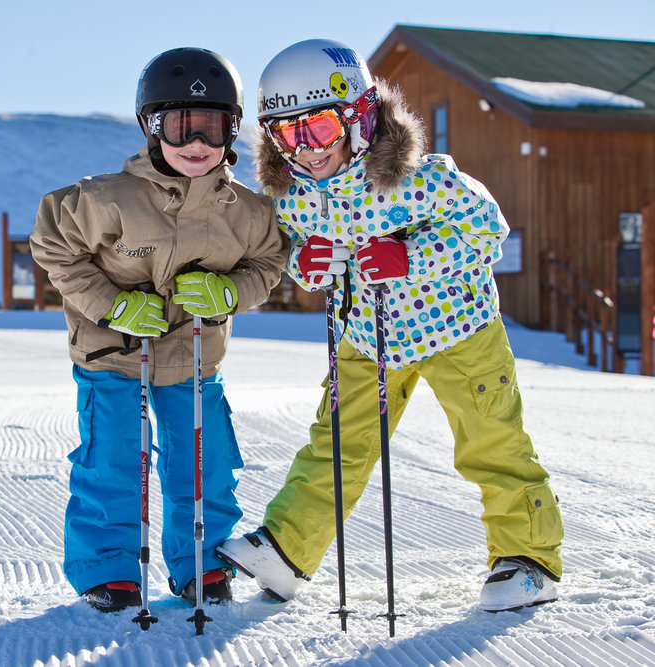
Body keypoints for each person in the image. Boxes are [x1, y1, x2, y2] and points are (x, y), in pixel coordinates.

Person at [216, 39, 564, 613]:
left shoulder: (421, 179)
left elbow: (487, 229)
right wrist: (307, 265)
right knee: (337, 443)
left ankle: (529, 560)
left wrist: (410, 256)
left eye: (319, 129)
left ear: (359, 117)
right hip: (365, 336)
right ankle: (286, 549)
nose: (305, 150)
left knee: (491, 443)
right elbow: (295, 252)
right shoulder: (294, 198)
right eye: (287, 135)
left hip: (458, 330)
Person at [31, 47, 285, 613]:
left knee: (204, 463)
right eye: (179, 126)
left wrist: (230, 292)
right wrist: (112, 305)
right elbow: (53, 244)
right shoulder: (106, 199)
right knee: (114, 459)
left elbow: (269, 263)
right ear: (152, 127)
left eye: (211, 127)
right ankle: (109, 568)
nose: (196, 142)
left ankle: (204, 562)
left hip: (194, 358)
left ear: (232, 131)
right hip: (113, 355)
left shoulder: (248, 211)